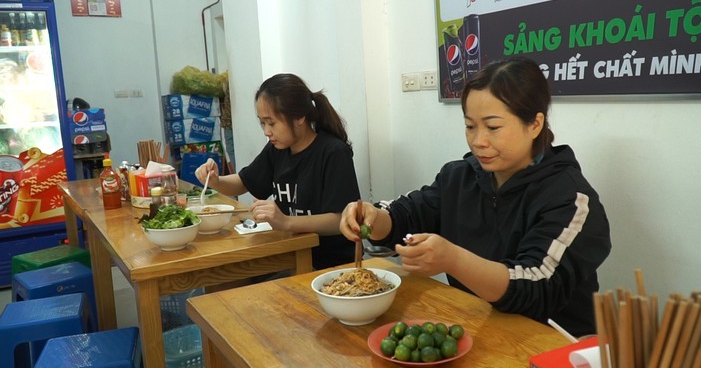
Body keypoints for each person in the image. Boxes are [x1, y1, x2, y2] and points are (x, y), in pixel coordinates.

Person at [340, 57, 611, 337]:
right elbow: (406, 216)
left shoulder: (570, 199)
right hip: (475, 329)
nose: (478, 141)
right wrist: (372, 218)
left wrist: (454, 260)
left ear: (534, 125)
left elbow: (535, 284)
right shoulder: (459, 177)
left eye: (493, 127)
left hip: (551, 348)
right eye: (470, 126)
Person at [196, 73, 360, 270]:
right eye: (262, 123)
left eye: (271, 123)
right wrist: (215, 181)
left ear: (299, 116)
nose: (266, 131)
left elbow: (340, 219)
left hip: (329, 263)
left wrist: (286, 222)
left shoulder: (333, 152)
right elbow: (243, 182)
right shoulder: (277, 149)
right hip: (287, 252)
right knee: (221, 271)